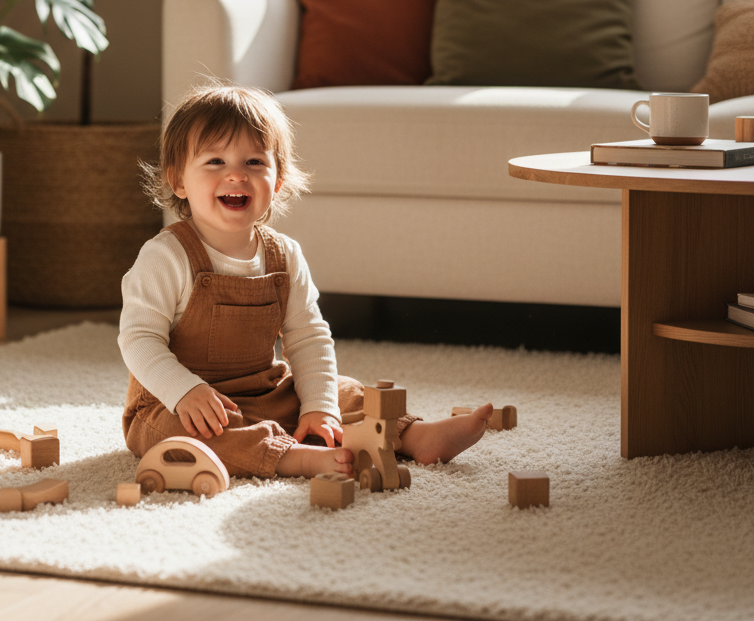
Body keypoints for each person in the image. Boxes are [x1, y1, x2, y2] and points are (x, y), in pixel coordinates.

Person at [119, 83, 492, 479]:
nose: (236, 174)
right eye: (215, 161)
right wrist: (184, 391)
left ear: (278, 180)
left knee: (343, 390)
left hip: (266, 393)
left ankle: (414, 436)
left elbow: (308, 336)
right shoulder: (166, 256)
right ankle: (293, 457)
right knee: (183, 437)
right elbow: (139, 338)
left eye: (254, 162)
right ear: (179, 181)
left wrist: (319, 406)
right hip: (175, 404)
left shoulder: (284, 255)